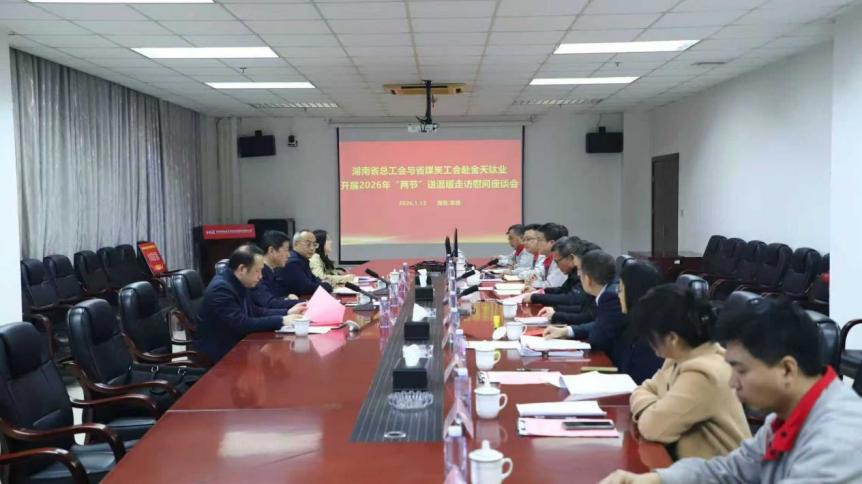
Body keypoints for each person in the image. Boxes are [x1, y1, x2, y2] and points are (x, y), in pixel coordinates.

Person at [600, 297, 862, 484]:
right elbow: (731, 470)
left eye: (741, 370)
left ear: (786, 370)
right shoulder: (785, 416)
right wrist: (657, 479)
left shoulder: (838, 438)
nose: (732, 382)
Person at [628, 284, 750, 459]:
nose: (648, 342)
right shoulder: (680, 356)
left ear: (672, 338)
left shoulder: (704, 373)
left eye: (650, 335)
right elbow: (644, 389)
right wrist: (654, 407)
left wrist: (650, 409)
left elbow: (653, 428)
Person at [196, 245, 304, 363]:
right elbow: (242, 324)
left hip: (238, 343)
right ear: (242, 269)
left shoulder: (237, 281)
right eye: (257, 271)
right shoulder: (221, 289)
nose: (260, 276)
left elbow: (254, 310)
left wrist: (287, 312)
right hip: (221, 352)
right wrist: (282, 320)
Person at [612, 260, 666, 384]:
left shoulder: (652, 335)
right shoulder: (633, 324)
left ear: (633, 292)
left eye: (620, 289)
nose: (618, 295)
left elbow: (641, 380)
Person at [252, 230, 304, 309]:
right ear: (271, 250)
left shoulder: (274, 271)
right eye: (286, 250)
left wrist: (286, 298)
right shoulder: (258, 274)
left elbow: (276, 298)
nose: (289, 255)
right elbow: (269, 303)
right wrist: (302, 302)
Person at [276, 230, 334, 296]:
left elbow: (314, 279)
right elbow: (306, 288)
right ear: (296, 244)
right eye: (308, 244)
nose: (312, 248)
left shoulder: (303, 260)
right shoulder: (293, 262)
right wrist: (327, 285)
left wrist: (324, 282)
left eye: (314, 244)